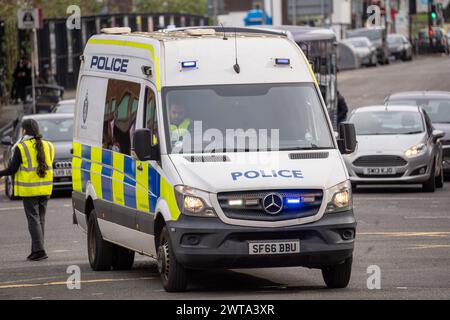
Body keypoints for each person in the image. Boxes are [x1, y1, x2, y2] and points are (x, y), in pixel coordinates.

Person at [0, 119, 55, 261]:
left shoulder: (21, 147)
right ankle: (36, 250)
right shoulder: (49, 145)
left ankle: (40, 251)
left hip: (30, 189)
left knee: (33, 220)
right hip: (46, 188)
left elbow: (12, 169)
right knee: (40, 219)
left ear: (24, 131)